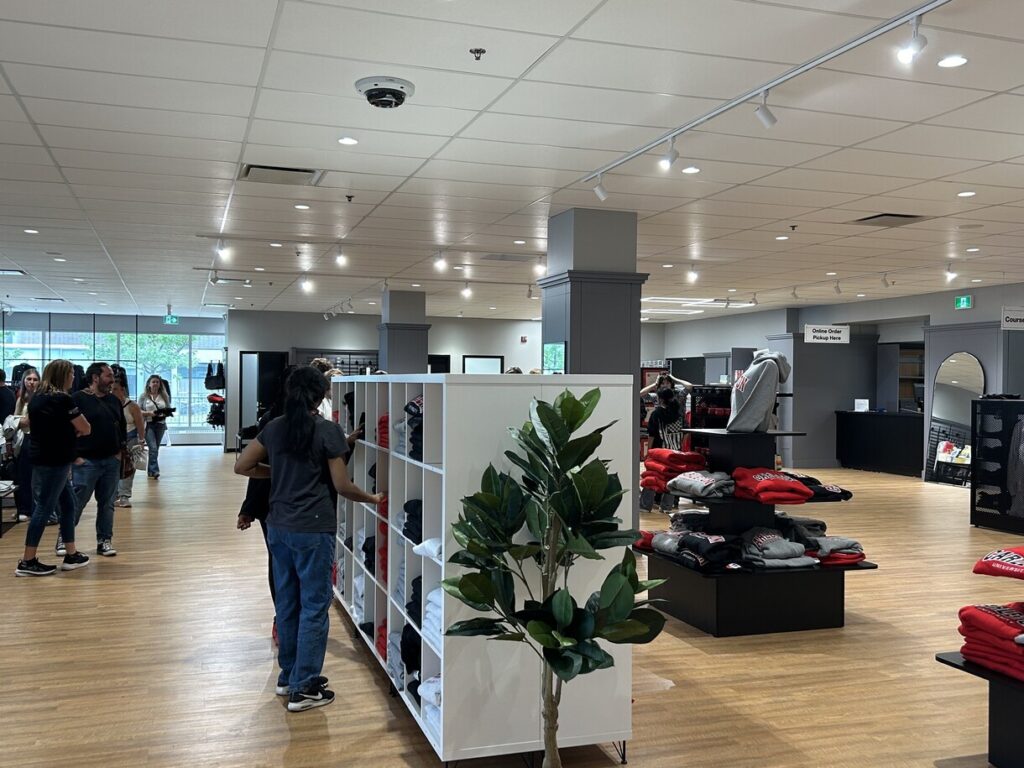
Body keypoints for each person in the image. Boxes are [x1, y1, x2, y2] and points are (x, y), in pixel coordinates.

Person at [234, 366, 383, 712]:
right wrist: (372, 498)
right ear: (320, 395)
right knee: (315, 607)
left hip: (278, 527)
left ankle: (289, 676)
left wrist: (278, 472)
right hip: (313, 529)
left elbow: (242, 466)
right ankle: (304, 687)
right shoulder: (326, 430)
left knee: (288, 603)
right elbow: (342, 485)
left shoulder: (275, 427)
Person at [15, 359, 92, 576]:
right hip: (56, 460)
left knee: (69, 505)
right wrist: (72, 430)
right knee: (44, 509)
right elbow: (85, 428)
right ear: (62, 375)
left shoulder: (37, 398)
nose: (73, 377)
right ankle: (27, 561)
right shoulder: (62, 399)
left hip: (43, 457)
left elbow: (39, 426)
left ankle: (71, 554)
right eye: (71, 373)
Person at [71, 362, 126, 557]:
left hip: (111, 461)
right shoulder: (77, 399)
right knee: (77, 502)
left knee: (107, 504)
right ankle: (65, 537)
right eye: (108, 376)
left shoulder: (114, 400)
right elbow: (68, 430)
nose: (112, 380)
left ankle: (104, 540)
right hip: (86, 462)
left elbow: (121, 426)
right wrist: (74, 456)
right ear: (95, 378)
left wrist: (120, 451)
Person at [641, 387, 689, 513]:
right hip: (675, 451)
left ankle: (645, 505)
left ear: (660, 399)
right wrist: (680, 446)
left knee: (652, 477)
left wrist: (648, 452)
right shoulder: (679, 413)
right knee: (670, 478)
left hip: (659, 451)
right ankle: (667, 506)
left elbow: (652, 434)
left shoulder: (657, 414)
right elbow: (686, 431)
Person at [113, 369, 145, 508]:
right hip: (113, 440)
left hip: (130, 438)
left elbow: (140, 424)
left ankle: (124, 495)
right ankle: (114, 495)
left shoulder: (132, 405)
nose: (112, 392)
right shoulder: (109, 404)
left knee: (128, 468)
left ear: (122, 390)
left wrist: (141, 440)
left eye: (115, 389)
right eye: (111, 389)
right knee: (113, 468)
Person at [11, 367, 39, 522]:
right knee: (23, 476)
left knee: (35, 477)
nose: (32, 382)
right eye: (29, 379)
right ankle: (24, 509)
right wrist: (20, 421)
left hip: (36, 439)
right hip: (23, 440)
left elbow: (26, 421)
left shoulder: (40, 398)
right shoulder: (21, 399)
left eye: (35, 379)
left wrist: (20, 421)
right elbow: (16, 421)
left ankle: (33, 509)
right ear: (24, 381)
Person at [139, 374, 171, 478]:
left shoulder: (164, 396)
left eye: (157, 382)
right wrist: (149, 413)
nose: (155, 384)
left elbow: (168, 409)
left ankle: (151, 471)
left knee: (155, 448)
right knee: (153, 448)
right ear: (149, 384)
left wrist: (164, 413)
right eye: (153, 382)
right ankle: (154, 470)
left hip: (160, 424)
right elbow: (138, 411)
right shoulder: (144, 396)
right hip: (148, 424)